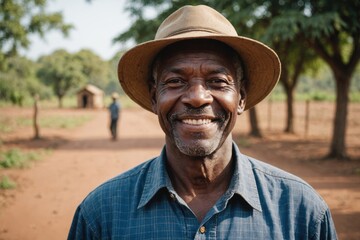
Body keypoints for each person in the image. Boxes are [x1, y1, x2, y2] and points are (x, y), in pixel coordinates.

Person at [68, 5, 337, 239]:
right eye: (175, 82)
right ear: (154, 98)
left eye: (217, 81)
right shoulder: (100, 214)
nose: (197, 97)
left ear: (241, 97)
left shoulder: (301, 211)